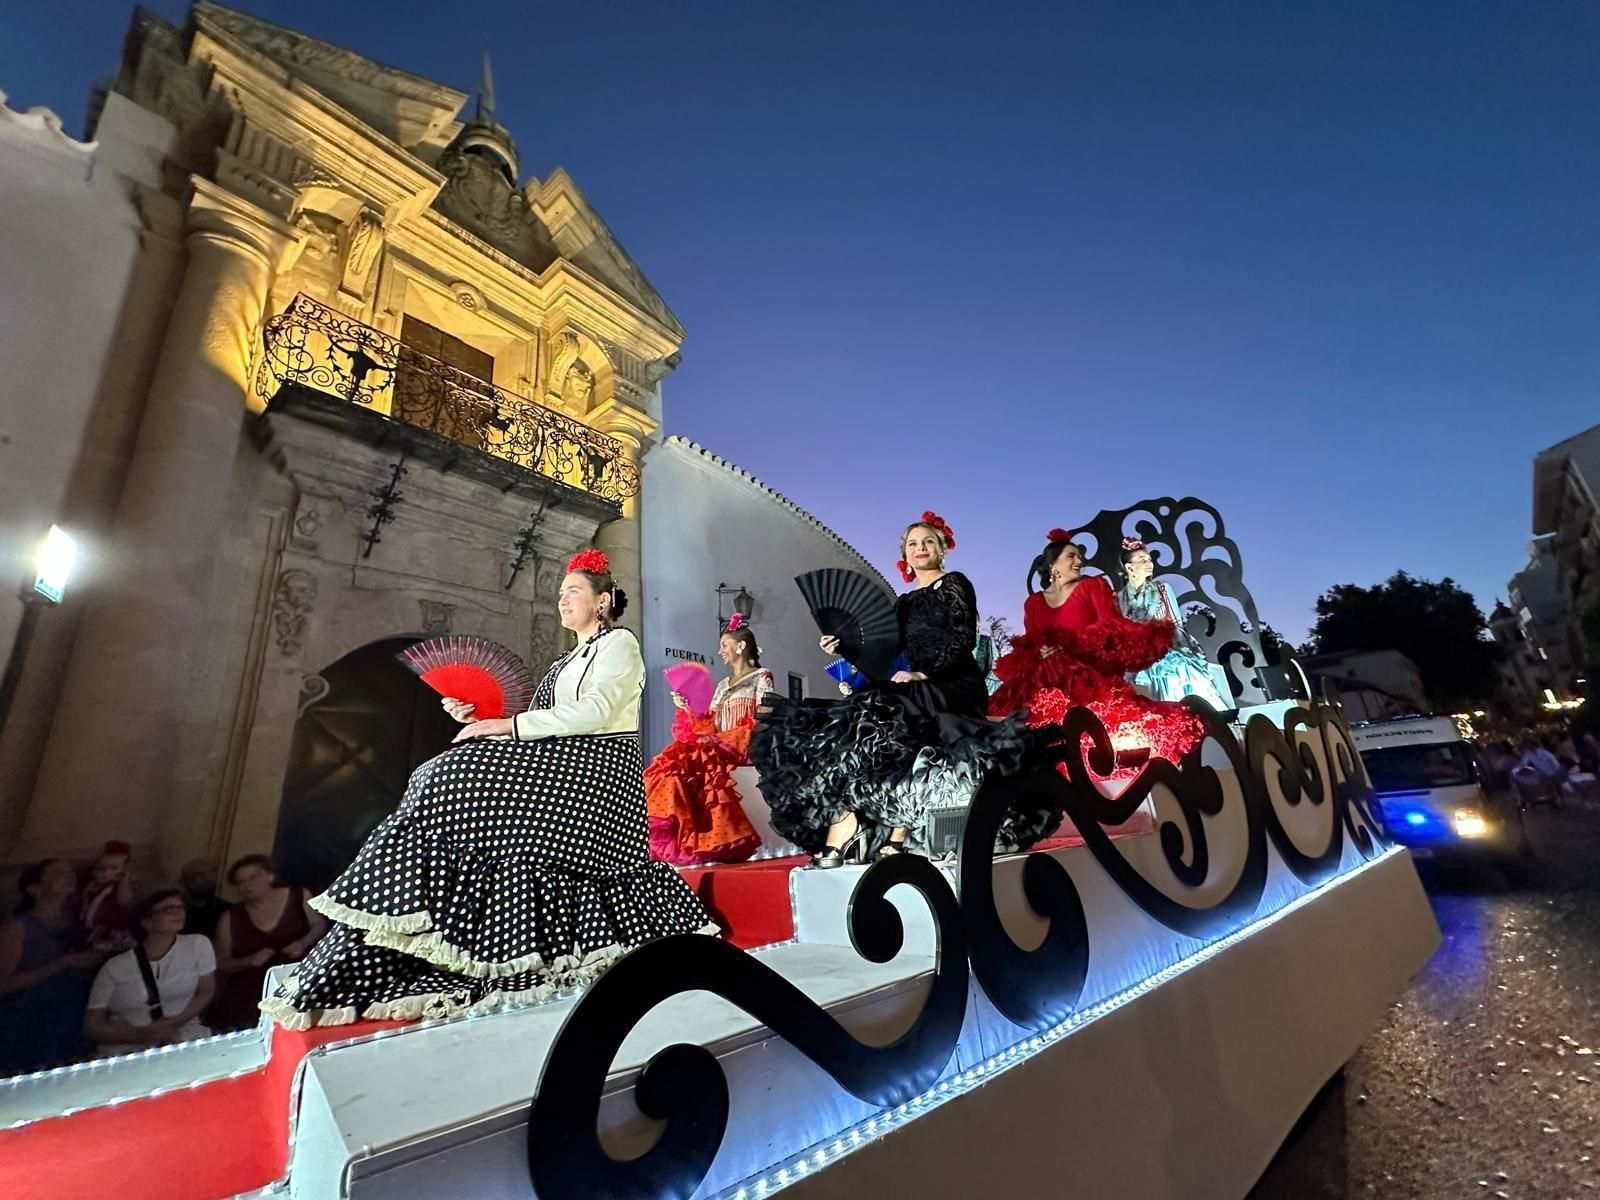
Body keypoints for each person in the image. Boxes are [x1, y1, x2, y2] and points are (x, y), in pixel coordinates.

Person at [262, 549, 714, 1029]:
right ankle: (418, 939)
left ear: (602, 602)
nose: (563, 601)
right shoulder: (566, 660)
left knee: (448, 777)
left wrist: (503, 727)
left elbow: (597, 713)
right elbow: (543, 721)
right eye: (560, 594)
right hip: (565, 765)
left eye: (574, 592)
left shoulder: (618, 644)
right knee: (434, 776)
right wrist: (478, 718)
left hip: (600, 772)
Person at [752, 512, 1044, 866]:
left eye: (928, 542)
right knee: (858, 718)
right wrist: (842, 647)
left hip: (953, 681)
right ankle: (851, 818)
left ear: (941, 550)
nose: (920, 549)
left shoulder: (953, 583)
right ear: (903, 555)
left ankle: (870, 825)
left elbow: (962, 638)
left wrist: (923, 674)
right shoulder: (903, 603)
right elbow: (884, 653)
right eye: (912, 544)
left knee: (888, 710)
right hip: (912, 682)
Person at [989, 529, 1206, 767]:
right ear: (1053, 566)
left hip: (1087, 673)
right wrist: (1041, 652)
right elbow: (1033, 640)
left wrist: (1150, 636)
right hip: (1046, 678)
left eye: (1079, 557)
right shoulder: (1033, 603)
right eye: (1071, 556)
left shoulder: (1093, 586)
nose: (1079, 561)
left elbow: (1113, 625)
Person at [645, 615, 771, 865]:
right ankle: (682, 834)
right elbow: (708, 723)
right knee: (678, 759)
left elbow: (765, 713)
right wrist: (687, 707)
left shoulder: (761, 676)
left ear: (741, 646)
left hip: (745, 740)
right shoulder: (723, 684)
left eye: (724, 645)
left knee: (701, 753)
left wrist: (728, 738)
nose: (720, 651)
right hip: (719, 741)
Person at [84, 889, 217, 1056]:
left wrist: (174, 1023)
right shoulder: (115, 967)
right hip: (128, 1046)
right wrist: (141, 1034)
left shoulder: (198, 944)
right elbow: (93, 1024)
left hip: (182, 1037)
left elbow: (206, 989)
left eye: (179, 907)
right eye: (167, 909)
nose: (176, 912)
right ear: (146, 922)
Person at [0, 860, 102, 1074]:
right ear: (35, 889)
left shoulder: (80, 919)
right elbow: (4, 984)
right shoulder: (18, 927)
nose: (69, 875)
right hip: (30, 1021)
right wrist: (64, 963)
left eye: (69, 870)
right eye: (58, 873)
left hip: (75, 1014)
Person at [211, 854, 325, 1030]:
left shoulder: (299, 895)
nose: (247, 885)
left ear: (270, 876)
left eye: (253, 877)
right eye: (241, 882)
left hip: (298, 986)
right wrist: (248, 961)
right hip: (249, 998)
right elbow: (220, 963)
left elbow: (318, 924)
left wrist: (303, 942)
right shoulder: (230, 917)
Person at [1114, 538, 1230, 711]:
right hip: (1135, 653)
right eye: (1143, 560)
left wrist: (1162, 644)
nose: (1149, 563)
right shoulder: (1119, 598)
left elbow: (1175, 624)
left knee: (1177, 670)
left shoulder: (1162, 589)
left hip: (1167, 649)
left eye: (1150, 560)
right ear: (1129, 567)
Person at [80, 840, 137, 954]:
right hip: (91, 931)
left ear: (124, 869)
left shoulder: (118, 887)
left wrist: (125, 880)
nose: (106, 873)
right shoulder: (91, 886)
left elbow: (123, 901)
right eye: (101, 868)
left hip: (114, 934)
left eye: (114, 868)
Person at [179, 858, 230, 938]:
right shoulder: (172, 908)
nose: (208, 879)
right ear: (183, 880)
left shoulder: (227, 910)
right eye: (199, 875)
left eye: (211, 874)